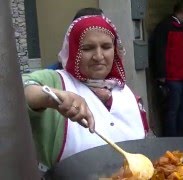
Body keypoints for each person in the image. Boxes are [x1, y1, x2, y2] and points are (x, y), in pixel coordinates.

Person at [22, 15, 148, 169]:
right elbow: (19, 88)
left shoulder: (122, 90)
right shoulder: (55, 80)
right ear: (74, 50)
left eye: (106, 47)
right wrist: (50, 99)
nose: (99, 56)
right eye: (87, 48)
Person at [152, 2, 183, 137]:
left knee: (182, 109)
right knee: (172, 110)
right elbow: (159, 51)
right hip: (173, 77)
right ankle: (171, 138)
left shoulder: (182, 28)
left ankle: (181, 135)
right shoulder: (166, 26)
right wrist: (161, 74)